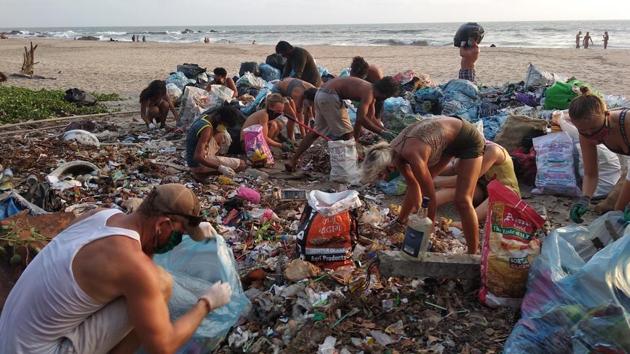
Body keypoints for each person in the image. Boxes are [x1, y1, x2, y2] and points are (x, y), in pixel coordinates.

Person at [0, 183, 233, 353]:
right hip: (38, 350)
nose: (178, 240)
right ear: (162, 225)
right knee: (159, 286)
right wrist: (207, 303)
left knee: (145, 288)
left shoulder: (102, 215)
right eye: (179, 233)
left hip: (9, 338)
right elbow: (163, 346)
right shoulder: (133, 266)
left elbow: (138, 257)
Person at [361, 117, 485, 254]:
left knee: (463, 200)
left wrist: (428, 226)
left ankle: (473, 254)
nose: (384, 179)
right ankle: (400, 220)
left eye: (381, 175)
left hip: (468, 139)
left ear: (388, 167)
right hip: (449, 140)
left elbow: (429, 194)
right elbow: (413, 185)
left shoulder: (411, 154)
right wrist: (407, 218)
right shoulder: (394, 152)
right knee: (419, 184)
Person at [285, 76, 400, 172]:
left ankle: (293, 160)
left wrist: (386, 131)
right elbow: (361, 119)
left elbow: (371, 118)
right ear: (385, 94)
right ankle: (348, 169)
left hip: (321, 93)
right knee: (347, 134)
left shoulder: (370, 90)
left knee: (316, 132)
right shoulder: (368, 93)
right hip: (330, 96)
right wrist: (381, 132)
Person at [569, 87, 630, 223]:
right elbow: (591, 174)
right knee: (617, 215)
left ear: (607, 114)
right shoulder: (586, 134)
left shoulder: (627, 123)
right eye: (583, 130)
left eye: (596, 129)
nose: (591, 135)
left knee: (619, 212)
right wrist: (585, 199)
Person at [434, 141, 519, 225]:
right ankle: (425, 204)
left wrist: (434, 182)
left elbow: (466, 179)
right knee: (456, 190)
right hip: (483, 191)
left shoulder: (493, 151)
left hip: (507, 195)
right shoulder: (469, 150)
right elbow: (453, 169)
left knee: (500, 193)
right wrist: (429, 172)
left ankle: (466, 223)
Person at [186, 104, 247, 181]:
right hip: (196, 163)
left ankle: (212, 163)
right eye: (224, 124)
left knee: (223, 135)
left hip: (193, 157)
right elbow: (198, 156)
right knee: (241, 164)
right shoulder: (207, 129)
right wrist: (220, 168)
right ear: (218, 118)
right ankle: (200, 173)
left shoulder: (205, 118)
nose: (224, 127)